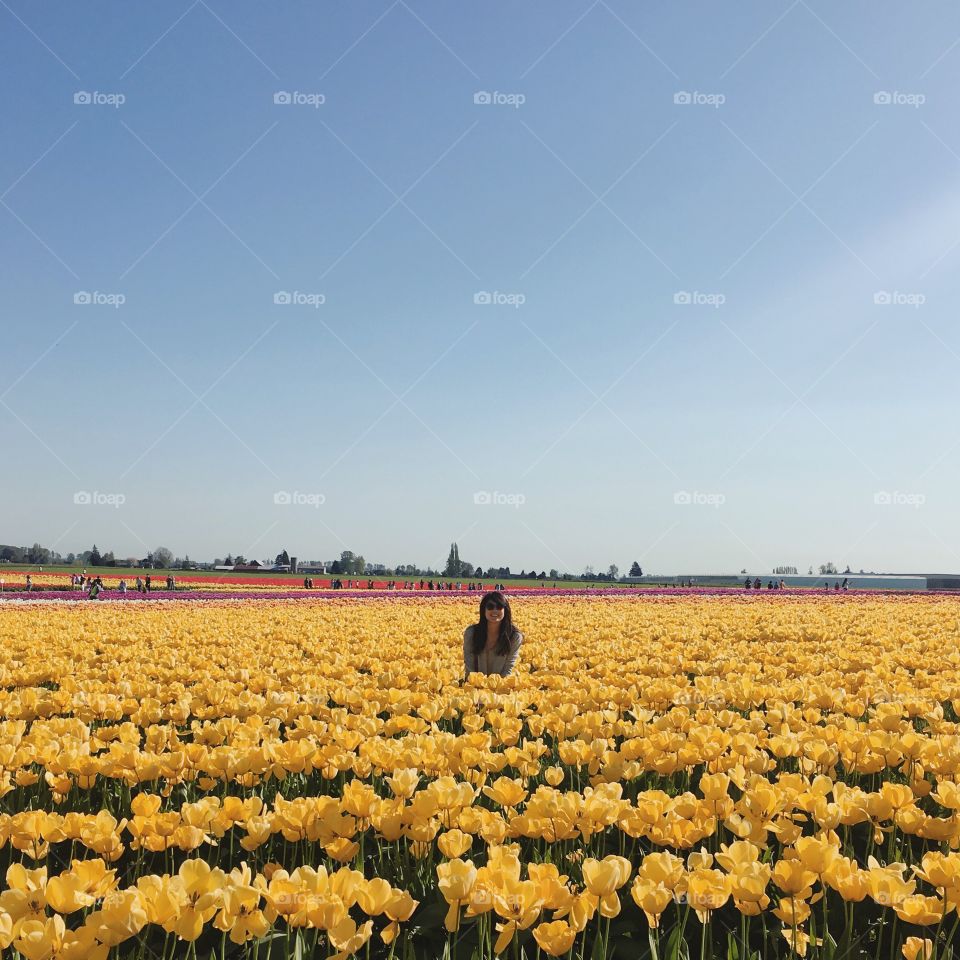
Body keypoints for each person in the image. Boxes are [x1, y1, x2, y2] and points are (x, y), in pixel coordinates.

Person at [463, 591, 523, 679]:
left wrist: (497, 686)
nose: (495, 610)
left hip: (501, 686)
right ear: (484, 610)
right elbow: (469, 665)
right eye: (490, 607)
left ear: (505, 610)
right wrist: (477, 685)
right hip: (476, 686)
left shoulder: (514, 637)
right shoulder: (471, 633)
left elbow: (508, 667)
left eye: (499, 607)